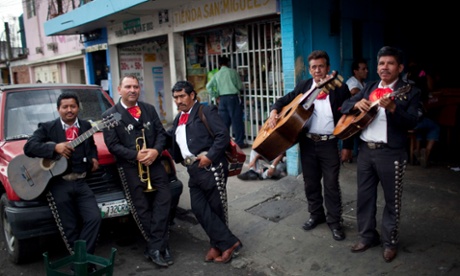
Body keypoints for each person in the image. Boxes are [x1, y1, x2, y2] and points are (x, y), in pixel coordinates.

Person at [340, 46, 420, 262]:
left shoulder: (409, 91)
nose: (385, 67)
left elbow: (413, 121)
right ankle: (367, 237)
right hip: (366, 151)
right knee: (364, 197)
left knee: (392, 201)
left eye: (390, 63)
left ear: (400, 67)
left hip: (391, 153)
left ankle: (389, 242)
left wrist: (394, 109)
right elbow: (345, 105)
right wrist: (356, 103)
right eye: (381, 63)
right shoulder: (370, 87)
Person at [268, 50, 353, 241]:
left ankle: (335, 222)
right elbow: (283, 100)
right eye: (313, 67)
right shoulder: (304, 86)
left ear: (327, 68)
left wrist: (347, 145)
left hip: (329, 144)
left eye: (321, 66)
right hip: (307, 143)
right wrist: (274, 111)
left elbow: (349, 116)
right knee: (311, 183)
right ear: (309, 69)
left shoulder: (340, 88)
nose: (317, 70)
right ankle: (316, 215)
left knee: (331, 185)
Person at [23, 92, 101, 270]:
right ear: (58, 109)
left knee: (94, 218)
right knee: (70, 226)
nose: (69, 110)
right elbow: (29, 147)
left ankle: (82, 259)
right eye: (65, 107)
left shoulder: (86, 126)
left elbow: (92, 147)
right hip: (59, 184)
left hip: (81, 182)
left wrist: (94, 158)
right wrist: (53, 147)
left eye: (73, 106)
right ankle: (82, 265)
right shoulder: (48, 127)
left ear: (78, 108)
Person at [168, 80, 242, 263]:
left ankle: (220, 246)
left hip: (211, 167)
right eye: (176, 97)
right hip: (193, 171)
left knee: (216, 210)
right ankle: (227, 242)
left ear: (192, 95)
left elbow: (222, 135)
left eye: (182, 96)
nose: (179, 100)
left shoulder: (205, 111)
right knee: (199, 208)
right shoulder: (178, 118)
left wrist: (210, 156)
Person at [102, 75, 172, 268]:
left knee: (165, 198)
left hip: (154, 161)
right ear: (119, 89)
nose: (132, 90)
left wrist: (156, 151)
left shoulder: (148, 109)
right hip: (131, 166)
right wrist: (136, 155)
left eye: (135, 86)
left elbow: (160, 134)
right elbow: (112, 145)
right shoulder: (111, 115)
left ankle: (155, 246)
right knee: (141, 206)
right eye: (128, 87)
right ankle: (159, 246)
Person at [206, 56, 247, 148]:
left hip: (222, 99)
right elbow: (240, 86)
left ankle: (225, 142)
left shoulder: (217, 74)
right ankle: (239, 142)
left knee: (224, 122)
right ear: (228, 63)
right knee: (236, 121)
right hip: (232, 98)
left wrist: (215, 95)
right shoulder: (232, 72)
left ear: (219, 64)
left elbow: (208, 86)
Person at [404, 61, 440, 167]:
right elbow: (431, 88)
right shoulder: (420, 82)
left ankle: (417, 151)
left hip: (404, 120)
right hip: (414, 120)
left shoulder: (403, 79)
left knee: (420, 128)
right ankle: (426, 152)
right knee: (434, 126)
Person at [343, 58, 369, 161]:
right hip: (351, 115)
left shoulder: (365, 84)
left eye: (366, 68)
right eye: (363, 69)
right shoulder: (352, 81)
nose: (366, 71)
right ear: (355, 71)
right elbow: (353, 91)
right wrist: (364, 95)